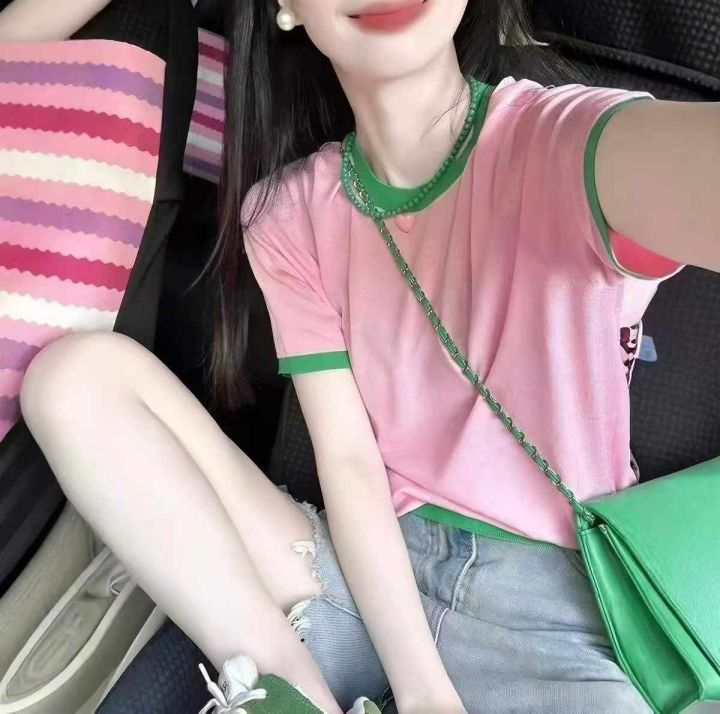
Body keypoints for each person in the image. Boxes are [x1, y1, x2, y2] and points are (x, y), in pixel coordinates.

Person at [15, 0, 719, 712]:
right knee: (75, 378)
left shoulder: (571, 141)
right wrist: (421, 688)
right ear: (286, 7)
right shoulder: (287, 213)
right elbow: (348, 460)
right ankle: (294, 693)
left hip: (548, 613)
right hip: (370, 572)